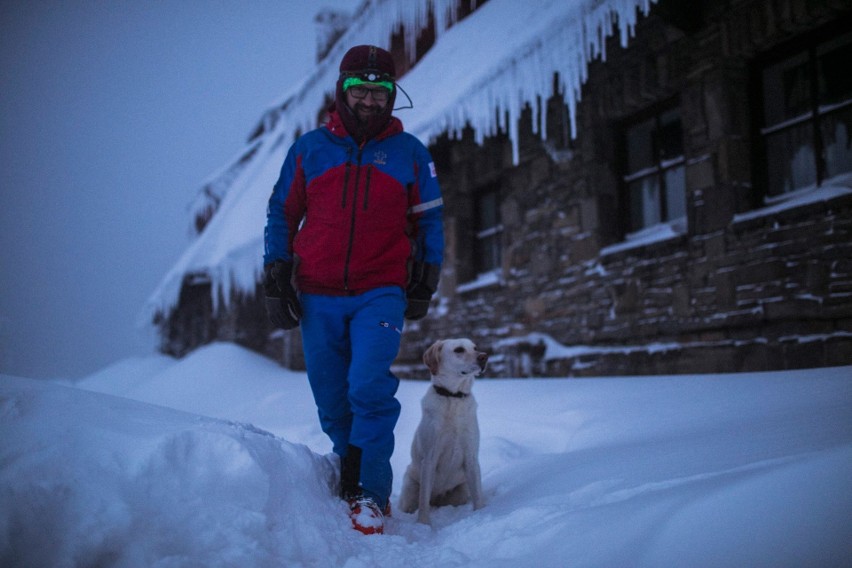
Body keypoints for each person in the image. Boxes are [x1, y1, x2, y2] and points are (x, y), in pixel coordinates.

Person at [263, 44, 444, 535]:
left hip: (380, 291)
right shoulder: (309, 149)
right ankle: (349, 477)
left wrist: (427, 276)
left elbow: (430, 221)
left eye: (379, 90)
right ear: (342, 90)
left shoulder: (410, 154)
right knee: (332, 397)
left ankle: (370, 494)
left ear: (392, 95)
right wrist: (277, 274)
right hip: (317, 293)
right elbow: (281, 212)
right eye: (359, 89)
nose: (369, 99)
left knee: (367, 385)